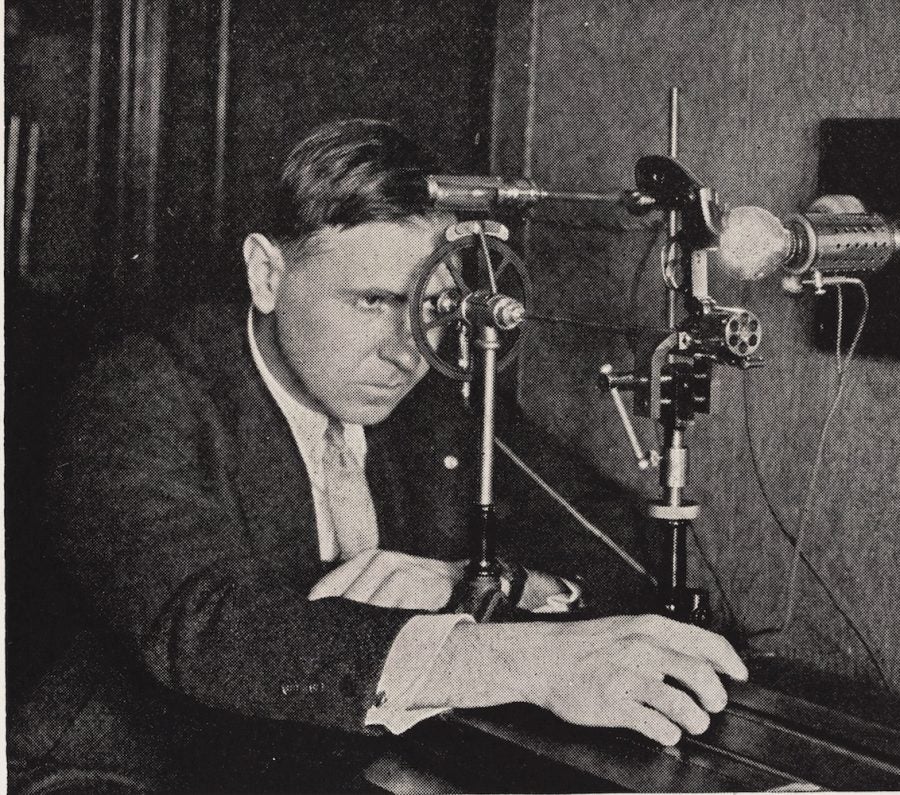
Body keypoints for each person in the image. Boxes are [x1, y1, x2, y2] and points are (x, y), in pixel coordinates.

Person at [9, 118, 746, 793]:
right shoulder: (143, 391)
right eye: (371, 302)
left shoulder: (432, 404)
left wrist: (486, 583)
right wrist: (534, 662)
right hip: (122, 774)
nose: (407, 350)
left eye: (431, 306)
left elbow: (624, 541)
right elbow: (205, 625)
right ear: (267, 274)